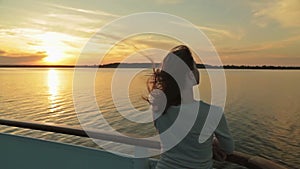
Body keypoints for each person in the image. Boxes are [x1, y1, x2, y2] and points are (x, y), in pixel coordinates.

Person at [146, 45, 234, 169]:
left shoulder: (158, 108)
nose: (198, 70)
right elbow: (228, 148)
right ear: (189, 75)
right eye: (195, 66)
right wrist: (212, 142)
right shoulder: (212, 113)